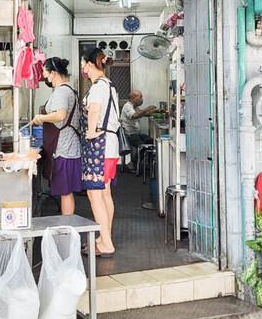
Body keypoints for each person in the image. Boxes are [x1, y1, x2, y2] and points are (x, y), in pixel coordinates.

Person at [80, 46, 120, 257]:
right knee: (104, 193)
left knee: (95, 193)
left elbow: (94, 109)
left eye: (82, 64)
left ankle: (106, 243)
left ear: (88, 64)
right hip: (110, 145)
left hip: (100, 145)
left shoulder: (97, 86)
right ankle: (105, 236)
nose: (82, 69)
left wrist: (90, 132)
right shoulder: (110, 85)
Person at [31, 57, 82, 215]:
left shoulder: (61, 91)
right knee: (66, 192)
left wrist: (40, 118)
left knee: (65, 192)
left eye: (45, 73)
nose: (44, 77)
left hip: (63, 149)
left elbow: (60, 115)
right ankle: (67, 226)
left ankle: (67, 229)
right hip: (69, 147)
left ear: (53, 73)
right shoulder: (69, 90)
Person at [120, 89, 163, 172]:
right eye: (141, 97)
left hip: (136, 134)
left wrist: (155, 111)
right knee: (142, 146)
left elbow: (143, 114)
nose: (142, 99)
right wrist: (147, 108)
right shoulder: (127, 107)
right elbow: (135, 115)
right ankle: (132, 163)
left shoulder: (135, 107)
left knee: (151, 142)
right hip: (129, 135)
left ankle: (148, 164)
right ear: (134, 99)